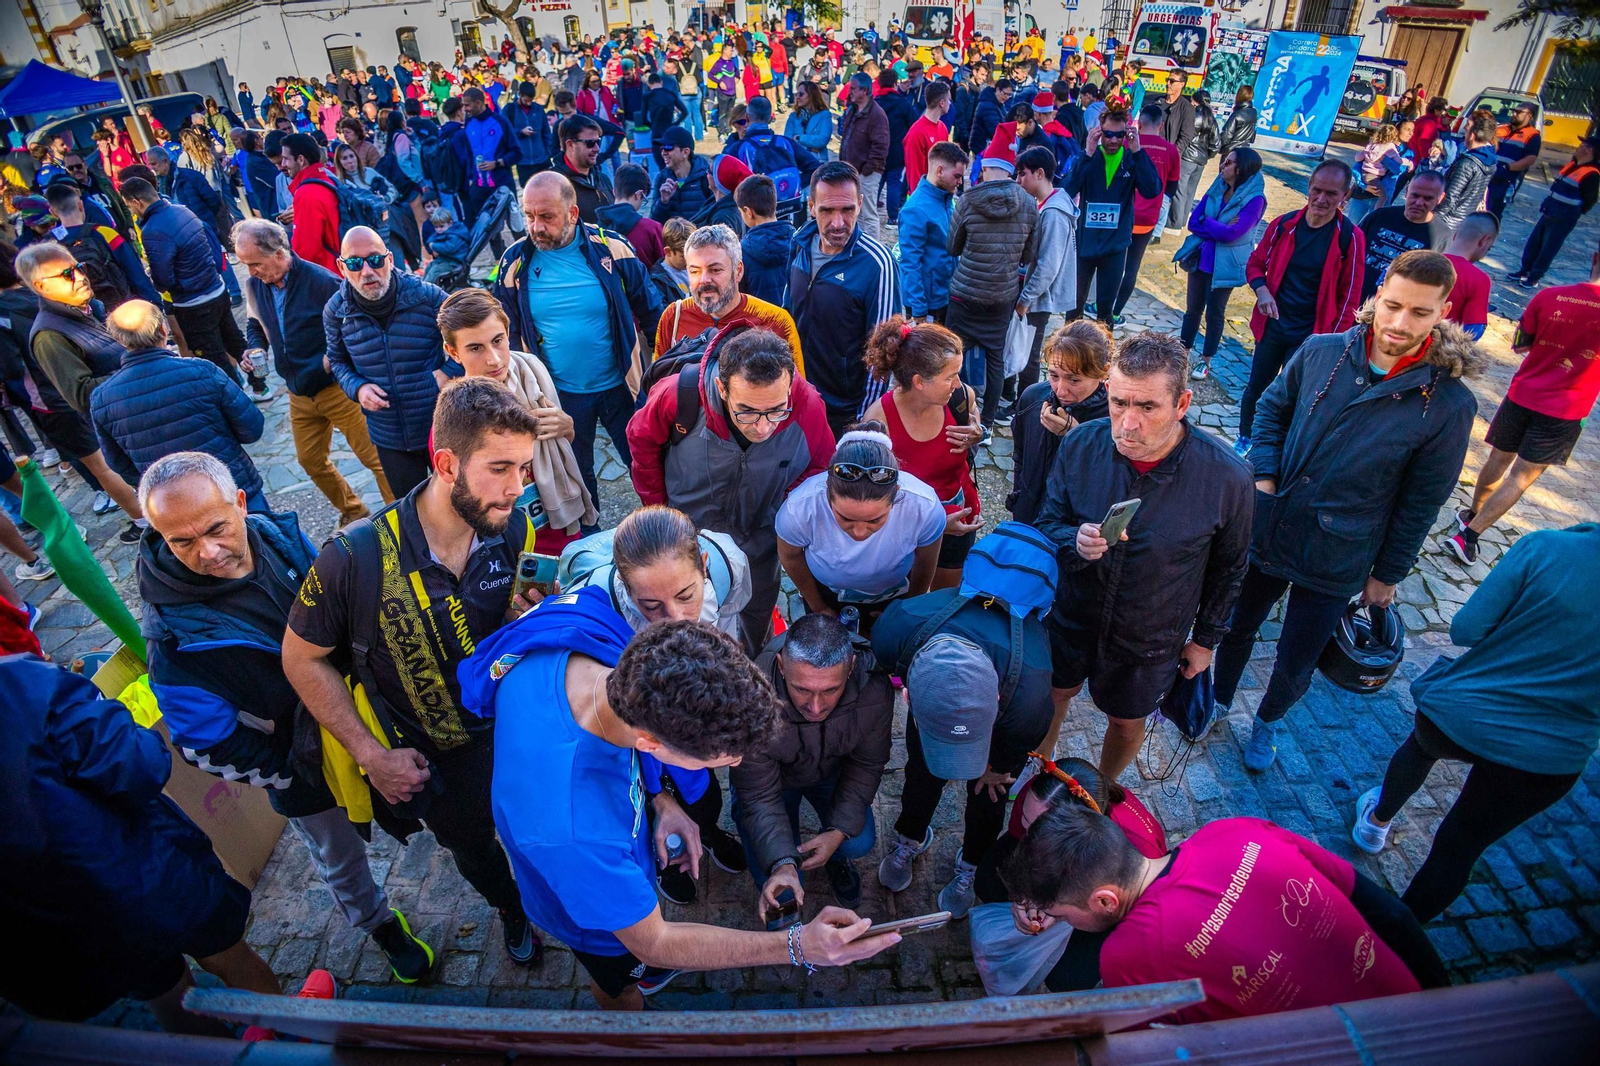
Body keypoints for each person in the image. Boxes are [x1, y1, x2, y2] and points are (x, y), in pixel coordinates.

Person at [458, 600, 898, 1011]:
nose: (741, 763)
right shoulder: (578, 833)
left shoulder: (585, 631)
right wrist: (798, 946)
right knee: (621, 981)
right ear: (651, 743)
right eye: (724, 760)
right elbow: (654, 941)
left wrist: (662, 798)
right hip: (595, 914)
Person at [135, 451, 435, 983]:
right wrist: (295, 771)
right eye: (182, 542)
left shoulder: (276, 536)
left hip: (372, 715)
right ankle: (378, 924)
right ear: (158, 534)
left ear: (242, 504)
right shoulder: (173, 643)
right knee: (339, 854)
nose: (207, 551)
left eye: (216, 528)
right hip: (303, 769)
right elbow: (206, 745)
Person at [284, 378, 549, 972]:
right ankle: (510, 910)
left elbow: (499, 605)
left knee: (534, 822)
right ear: (446, 463)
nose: (517, 488)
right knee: (476, 850)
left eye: (524, 468)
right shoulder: (352, 558)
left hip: (510, 725)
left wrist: (523, 613)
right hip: (433, 755)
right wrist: (372, 756)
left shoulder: (508, 526)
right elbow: (301, 659)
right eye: (500, 468)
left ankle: (542, 893)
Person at [1216, 250, 1481, 771]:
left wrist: (1387, 574)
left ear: (1443, 312)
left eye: (1421, 313)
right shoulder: (1320, 351)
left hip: (1340, 555)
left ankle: (1267, 722)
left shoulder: (1449, 404)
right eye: (1394, 305)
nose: (1401, 324)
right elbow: (1271, 408)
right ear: (1378, 296)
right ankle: (1218, 699)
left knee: (1297, 656)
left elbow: (1422, 502)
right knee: (1234, 625)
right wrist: (1265, 475)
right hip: (1271, 525)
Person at [0, 659, 288, 1032]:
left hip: (60, 928)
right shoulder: (24, 686)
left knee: (165, 993)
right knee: (230, 958)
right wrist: (108, 711)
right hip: (147, 878)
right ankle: (289, 1036)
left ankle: (212, 1052)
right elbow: (141, 764)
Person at [1354, 522, 1600, 921]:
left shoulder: (1546, 547)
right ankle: (1397, 943)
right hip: (1551, 756)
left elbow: (1465, 629)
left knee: (1421, 747)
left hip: (1465, 713)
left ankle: (1376, 822)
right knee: (1461, 846)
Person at [1035, 332, 1252, 781]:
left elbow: (1230, 568)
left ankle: (1104, 788)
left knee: (1127, 720)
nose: (1127, 424)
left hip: (1150, 634)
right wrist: (1073, 540)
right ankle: (1038, 769)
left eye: (1147, 407)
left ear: (1182, 403)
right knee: (1053, 694)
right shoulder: (1080, 445)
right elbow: (1046, 523)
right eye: (1118, 403)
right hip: (1073, 613)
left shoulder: (1227, 477)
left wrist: (1205, 641)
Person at [1004, 804, 1445, 1024]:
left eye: (1063, 915)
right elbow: (1387, 912)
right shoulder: (1234, 831)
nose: (1062, 922)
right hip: (1422, 1008)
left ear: (1104, 901)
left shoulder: (1129, 955)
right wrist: (1449, 1001)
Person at [870, 534, 1056, 917]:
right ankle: (909, 837)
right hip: (938, 716)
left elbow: (1017, 746)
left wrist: (999, 768)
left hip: (995, 733)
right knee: (921, 777)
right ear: (907, 695)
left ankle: (972, 862)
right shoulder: (897, 627)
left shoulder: (1031, 700)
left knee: (989, 796)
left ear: (1000, 703)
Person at [629, 327, 832, 648]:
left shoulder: (808, 405)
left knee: (756, 614)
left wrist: (783, 518)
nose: (763, 427)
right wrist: (660, 511)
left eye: (778, 410)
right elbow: (640, 440)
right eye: (747, 411)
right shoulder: (676, 396)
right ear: (721, 388)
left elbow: (818, 467)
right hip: (687, 541)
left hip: (761, 542)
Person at [495, 172, 662, 508]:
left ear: (572, 214)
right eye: (529, 216)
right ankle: (587, 536)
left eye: (547, 217)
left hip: (621, 387)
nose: (536, 227)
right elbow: (505, 328)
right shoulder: (514, 262)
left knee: (645, 464)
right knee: (576, 473)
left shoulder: (613, 249)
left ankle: (661, 525)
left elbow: (653, 312)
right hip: (559, 395)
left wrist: (661, 375)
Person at [1448, 246, 1600, 565]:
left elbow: (1519, 345)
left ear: (1595, 258)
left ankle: (1472, 513)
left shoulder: (1550, 297)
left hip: (1523, 394)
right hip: (1567, 410)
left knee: (1498, 459)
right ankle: (1470, 535)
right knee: (1521, 476)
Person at [733, 612, 893, 914]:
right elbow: (758, 795)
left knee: (857, 841)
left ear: (851, 669)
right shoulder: (749, 701)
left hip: (831, 772)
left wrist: (838, 831)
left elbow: (867, 764)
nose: (816, 707)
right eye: (802, 689)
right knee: (781, 890)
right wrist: (782, 864)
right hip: (774, 784)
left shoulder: (875, 688)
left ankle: (834, 855)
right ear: (781, 666)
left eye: (830, 690)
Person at [234, 219, 391, 525]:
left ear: (279, 254)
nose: (251, 271)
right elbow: (255, 324)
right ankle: (354, 510)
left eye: (254, 263)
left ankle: (399, 517)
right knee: (310, 460)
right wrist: (254, 348)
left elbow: (354, 327)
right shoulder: (255, 285)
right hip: (299, 394)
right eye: (245, 264)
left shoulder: (322, 282)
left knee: (375, 459)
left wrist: (332, 359)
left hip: (336, 390)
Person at [972, 756, 1166, 994]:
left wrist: (1057, 910)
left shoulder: (1138, 851)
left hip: (1106, 912)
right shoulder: (1040, 798)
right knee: (987, 882)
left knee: (1067, 979)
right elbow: (1021, 845)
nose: (1027, 833)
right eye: (1025, 821)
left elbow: (1126, 914)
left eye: (1038, 830)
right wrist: (1025, 896)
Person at [437, 288, 595, 552]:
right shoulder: (454, 414)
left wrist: (567, 426)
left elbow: (559, 443)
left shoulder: (531, 371)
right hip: (507, 542)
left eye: (498, 340)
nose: (493, 358)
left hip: (558, 524)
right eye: (475, 348)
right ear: (453, 353)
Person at [15, 242, 145, 538]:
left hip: (132, 414)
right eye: (66, 274)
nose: (79, 277)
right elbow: (81, 394)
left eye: (79, 268)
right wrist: (136, 369)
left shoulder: (88, 307)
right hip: (113, 423)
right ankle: (145, 523)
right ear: (40, 286)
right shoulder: (49, 334)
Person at [90, 300, 267, 514]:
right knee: (268, 542)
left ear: (118, 339)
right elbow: (252, 427)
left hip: (172, 506)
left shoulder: (102, 398)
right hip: (230, 489)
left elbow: (121, 466)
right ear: (164, 329)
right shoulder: (202, 371)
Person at [1236, 159, 1365, 451]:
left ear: (1344, 196)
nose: (1321, 199)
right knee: (1257, 386)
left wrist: (1334, 343)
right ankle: (1245, 438)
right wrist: (1262, 291)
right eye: (1317, 190)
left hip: (1313, 334)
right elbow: (1255, 264)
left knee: (1296, 396)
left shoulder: (1351, 238)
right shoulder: (1284, 225)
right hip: (1274, 326)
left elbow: (1350, 298)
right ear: (1308, 188)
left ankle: (1279, 447)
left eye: (1331, 194)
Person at [776, 425, 946, 628]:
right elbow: (790, 555)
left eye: (875, 520)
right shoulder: (799, 508)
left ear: (897, 494)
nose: (859, 532)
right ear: (827, 492)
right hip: (826, 594)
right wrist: (818, 606)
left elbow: (926, 559)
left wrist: (907, 607)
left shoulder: (925, 507)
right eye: (845, 518)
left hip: (896, 595)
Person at [323, 226, 450, 497]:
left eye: (376, 260)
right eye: (355, 263)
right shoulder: (336, 312)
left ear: (390, 260)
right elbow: (336, 360)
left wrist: (449, 370)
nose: (367, 271)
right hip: (389, 435)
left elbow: (473, 337)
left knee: (461, 504)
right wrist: (357, 388)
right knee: (412, 513)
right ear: (342, 267)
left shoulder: (428, 297)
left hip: (440, 426)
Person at [860, 318, 984, 588]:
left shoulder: (962, 397)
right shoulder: (879, 422)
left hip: (959, 516)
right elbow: (871, 497)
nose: (958, 383)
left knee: (942, 601)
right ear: (919, 381)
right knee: (908, 598)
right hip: (906, 529)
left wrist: (978, 433)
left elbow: (975, 419)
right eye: (950, 377)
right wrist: (935, 524)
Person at [787, 162, 900, 438]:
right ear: (811, 206)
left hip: (842, 411)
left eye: (847, 210)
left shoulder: (878, 264)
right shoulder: (798, 244)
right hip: (794, 397)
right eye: (827, 210)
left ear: (860, 204)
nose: (838, 223)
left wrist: (862, 419)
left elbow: (882, 353)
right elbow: (785, 315)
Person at [118, 177, 248, 387]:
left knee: (213, 357)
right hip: (217, 290)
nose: (132, 212)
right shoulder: (182, 210)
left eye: (129, 206)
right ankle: (260, 382)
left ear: (137, 201)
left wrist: (155, 279)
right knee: (234, 340)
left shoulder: (153, 231)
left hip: (193, 304)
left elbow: (164, 279)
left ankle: (236, 397)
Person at [947, 148, 1039, 427]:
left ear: (984, 169)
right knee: (995, 359)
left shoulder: (967, 200)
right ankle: (986, 422)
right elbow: (1027, 256)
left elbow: (953, 247)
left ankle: (955, 416)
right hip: (1002, 295)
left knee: (953, 356)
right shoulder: (1029, 203)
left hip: (965, 294)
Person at [1171, 147, 1266, 379]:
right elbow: (1194, 221)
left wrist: (1209, 222)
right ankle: (1182, 354)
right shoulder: (1218, 187)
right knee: (1192, 310)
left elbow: (1232, 234)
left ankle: (1205, 361)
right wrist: (1216, 224)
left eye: (1229, 163)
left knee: (1214, 313)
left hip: (1225, 266)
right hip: (1200, 260)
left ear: (1241, 168)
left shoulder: (1255, 200)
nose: (1223, 166)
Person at [655, 224, 803, 366]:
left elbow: (798, 390)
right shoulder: (673, 317)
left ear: (738, 271)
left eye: (715, 270)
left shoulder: (777, 322)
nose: (704, 280)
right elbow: (657, 386)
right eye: (695, 271)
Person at [1008, 319, 1111, 527]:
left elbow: (1110, 483)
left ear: (1104, 372)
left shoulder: (1115, 418)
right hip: (1028, 519)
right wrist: (1020, 500)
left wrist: (1076, 437)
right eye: (1054, 375)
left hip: (1075, 530)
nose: (1061, 390)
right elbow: (1020, 457)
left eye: (1074, 380)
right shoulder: (1032, 398)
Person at [1064, 108, 1159, 329]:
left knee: (1105, 310)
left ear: (1127, 133)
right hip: (1085, 243)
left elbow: (1152, 189)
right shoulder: (1089, 157)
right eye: (1108, 134)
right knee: (1074, 306)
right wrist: (1087, 153)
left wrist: (1138, 151)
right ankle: (1068, 354)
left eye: (1120, 134)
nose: (1114, 140)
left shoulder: (1131, 158)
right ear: (1099, 132)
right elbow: (1068, 188)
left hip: (1115, 245)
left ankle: (1102, 358)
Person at [1101, 106, 1177, 327]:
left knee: (1113, 263)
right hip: (1148, 219)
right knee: (1132, 266)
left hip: (1123, 216)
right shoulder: (1171, 151)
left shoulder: (1127, 144)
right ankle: (1115, 313)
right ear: (1161, 125)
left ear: (1139, 124)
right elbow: (1171, 189)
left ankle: (1102, 307)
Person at [41, 183, 159, 308]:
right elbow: (134, 271)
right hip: (120, 308)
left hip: (79, 313)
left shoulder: (47, 245)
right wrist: (154, 302)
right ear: (80, 206)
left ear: (53, 212)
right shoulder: (105, 233)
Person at [1511, 137, 1598, 289]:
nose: (1577, 147)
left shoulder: (1591, 174)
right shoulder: (1573, 165)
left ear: (1589, 150)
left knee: (1548, 248)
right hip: (1550, 210)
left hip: (1564, 217)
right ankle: (1525, 270)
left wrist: (1573, 211)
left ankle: (1534, 277)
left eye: (1581, 145)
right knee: (1534, 243)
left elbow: (1590, 200)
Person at [898, 141, 966, 326]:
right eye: (957, 176)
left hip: (944, 296)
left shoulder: (947, 200)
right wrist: (919, 309)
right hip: (926, 305)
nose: (960, 182)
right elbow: (910, 263)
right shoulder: (915, 210)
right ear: (940, 170)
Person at [1358, 168, 1448, 301]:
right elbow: (1351, 250)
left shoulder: (1442, 236)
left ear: (1440, 198)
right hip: (1355, 298)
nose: (1419, 203)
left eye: (1428, 198)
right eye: (1415, 195)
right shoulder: (1379, 217)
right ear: (1407, 191)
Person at [460, 86, 521, 233]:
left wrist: (497, 163)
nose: (464, 109)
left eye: (467, 105)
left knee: (515, 224)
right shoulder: (468, 124)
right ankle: (498, 256)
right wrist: (470, 177)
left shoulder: (500, 122)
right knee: (488, 229)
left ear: (478, 103)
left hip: (502, 183)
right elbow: (469, 154)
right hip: (479, 187)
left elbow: (517, 153)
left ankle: (523, 254)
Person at [838, 74, 890, 240]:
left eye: (853, 88)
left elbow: (881, 146)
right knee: (855, 213)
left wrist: (867, 169)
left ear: (865, 91)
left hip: (866, 173)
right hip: (851, 172)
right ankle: (859, 246)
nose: (850, 92)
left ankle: (873, 250)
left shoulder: (877, 115)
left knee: (868, 214)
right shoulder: (853, 110)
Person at [278, 133, 341, 271]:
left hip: (329, 275)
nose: (283, 165)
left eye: (285, 159)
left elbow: (305, 251)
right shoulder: (328, 179)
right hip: (341, 268)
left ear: (301, 159)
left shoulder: (306, 192)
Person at [736, 175, 795, 307]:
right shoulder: (798, 241)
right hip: (794, 324)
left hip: (758, 325)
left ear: (748, 212)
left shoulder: (741, 252)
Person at [1436, 112, 1497, 235]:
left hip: (1448, 222)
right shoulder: (1490, 159)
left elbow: (1450, 197)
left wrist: (1432, 219)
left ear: (1473, 134)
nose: (1464, 128)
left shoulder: (1467, 163)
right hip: (1464, 219)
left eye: (1467, 125)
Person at [596, 163, 666, 268]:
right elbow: (663, 266)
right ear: (639, 194)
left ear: (614, 192)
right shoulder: (652, 229)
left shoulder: (596, 229)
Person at [1442, 211, 1496, 340]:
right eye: (1489, 248)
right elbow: (1473, 331)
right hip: (1437, 352)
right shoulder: (1479, 279)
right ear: (1484, 241)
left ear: (1455, 235)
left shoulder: (1416, 259)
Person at [553, 113, 615, 223]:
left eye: (598, 142)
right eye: (590, 143)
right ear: (570, 145)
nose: (597, 149)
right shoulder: (553, 184)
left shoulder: (603, 179)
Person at [1170, 88, 1218, 231]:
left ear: (1196, 101)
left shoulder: (1192, 116)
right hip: (1200, 162)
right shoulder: (1211, 119)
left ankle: (1175, 223)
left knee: (1180, 191)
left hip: (1187, 159)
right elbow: (1216, 144)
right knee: (1190, 192)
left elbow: (1183, 136)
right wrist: (1205, 156)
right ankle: (1183, 220)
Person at [1486, 101, 1542, 220]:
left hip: (1505, 180)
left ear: (1529, 116)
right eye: (1514, 111)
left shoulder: (1532, 136)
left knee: (1493, 213)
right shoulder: (1501, 128)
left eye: (1519, 112)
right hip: (1487, 173)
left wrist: (1508, 168)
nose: (1514, 114)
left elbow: (1530, 159)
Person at [651, 126, 715, 224]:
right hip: (672, 238)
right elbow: (654, 222)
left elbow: (715, 216)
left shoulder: (706, 177)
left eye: (668, 147)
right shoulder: (662, 178)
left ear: (685, 152)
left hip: (699, 237)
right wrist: (663, 202)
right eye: (662, 148)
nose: (663, 153)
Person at [505, 82, 554, 188]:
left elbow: (546, 133)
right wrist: (520, 132)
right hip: (523, 161)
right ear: (520, 94)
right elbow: (505, 132)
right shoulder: (510, 110)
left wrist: (548, 153)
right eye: (526, 100)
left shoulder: (539, 109)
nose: (528, 103)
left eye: (531, 100)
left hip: (541, 159)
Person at [785, 80, 834, 163]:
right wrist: (811, 145)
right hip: (798, 162)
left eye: (801, 94)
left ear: (811, 95)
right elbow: (788, 141)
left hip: (817, 161)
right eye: (796, 94)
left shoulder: (825, 115)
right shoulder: (793, 116)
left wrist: (798, 138)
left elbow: (822, 140)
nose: (797, 97)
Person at [1217, 84, 1256, 158]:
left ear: (1239, 95)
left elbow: (1227, 135)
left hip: (1231, 151)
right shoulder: (1253, 112)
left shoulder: (1237, 114)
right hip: (1245, 149)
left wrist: (1218, 147)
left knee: (1226, 169)